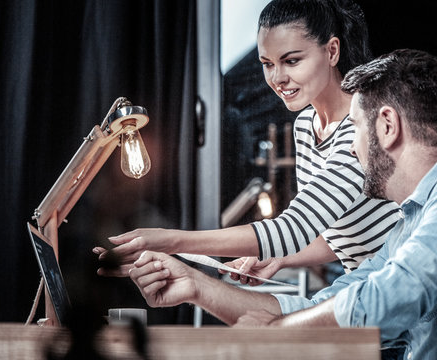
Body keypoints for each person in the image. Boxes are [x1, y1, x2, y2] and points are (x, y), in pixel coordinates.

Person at [127, 49, 437, 359]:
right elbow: (324, 307)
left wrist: (279, 331)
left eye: (354, 128)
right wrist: (198, 287)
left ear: (388, 126)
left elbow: (391, 300)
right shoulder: (412, 221)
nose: (351, 146)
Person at [94, 0, 400, 282]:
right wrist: (278, 258)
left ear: (332, 51)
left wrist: (170, 239)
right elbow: (338, 236)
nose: (277, 78)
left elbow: (294, 227)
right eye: (267, 64)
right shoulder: (306, 126)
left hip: (409, 298)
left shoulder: (361, 128)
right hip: (373, 293)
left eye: (291, 61)